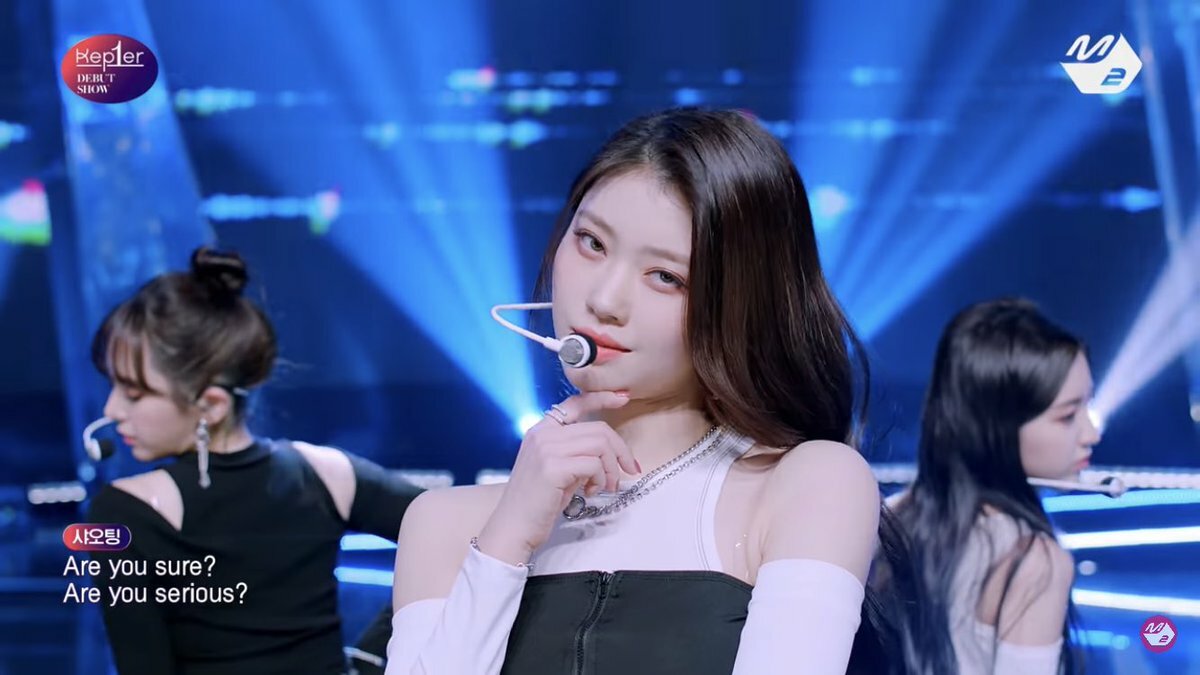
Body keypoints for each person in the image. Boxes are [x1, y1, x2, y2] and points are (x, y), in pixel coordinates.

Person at [385, 108, 927, 674]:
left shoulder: (806, 485)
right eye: (591, 242)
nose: (605, 300)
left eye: (666, 277)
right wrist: (507, 537)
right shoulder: (444, 523)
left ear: (740, 306)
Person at [85, 247, 423, 675]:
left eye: (133, 394)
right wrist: (377, 656)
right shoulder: (328, 474)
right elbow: (463, 534)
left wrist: (377, 652)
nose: (112, 410)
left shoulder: (120, 511)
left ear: (211, 405)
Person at [889, 298, 1099, 674]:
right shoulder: (1035, 561)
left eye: (1088, 407)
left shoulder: (891, 518)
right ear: (998, 425)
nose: (1091, 434)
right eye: (1068, 415)